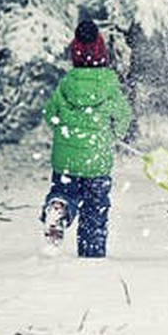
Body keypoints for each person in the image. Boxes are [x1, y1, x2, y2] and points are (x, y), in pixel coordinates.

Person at [41, 20, 132, 257]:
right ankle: (91, 256)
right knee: (94, 210)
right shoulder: (109, 85)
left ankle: (59, 206)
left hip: (66, 159)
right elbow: (123, 116)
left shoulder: (66, 84)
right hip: (96, 158)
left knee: (64, 189)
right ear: (102, 54)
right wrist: (113, 134)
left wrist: (64, 130)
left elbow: (50, 115)